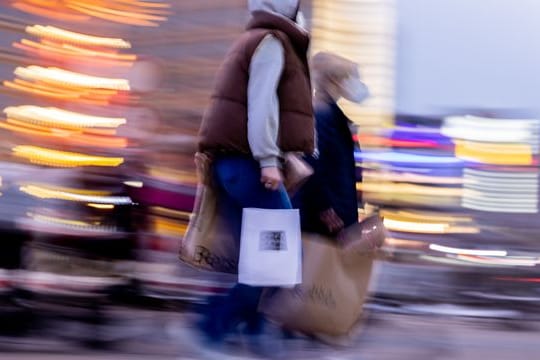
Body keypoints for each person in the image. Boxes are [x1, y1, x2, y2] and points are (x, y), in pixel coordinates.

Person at [193, 0, 315, 353]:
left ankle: (254, 334)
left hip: (231, 166)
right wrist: (267, 160)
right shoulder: (272, 42)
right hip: (249, 165)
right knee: (280, 259)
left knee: (257, 259)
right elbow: (261, 104)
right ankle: (210, 328)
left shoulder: (250, 39)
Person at [295, 52, 369, 235]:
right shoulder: (322, 115)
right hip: (324, 221)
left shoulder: (331, 114)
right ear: (336, 80)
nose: (357, 84)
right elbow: (312, 165)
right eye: (352, 78)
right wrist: (324, 209)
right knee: (319, 262)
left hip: (333, 217)